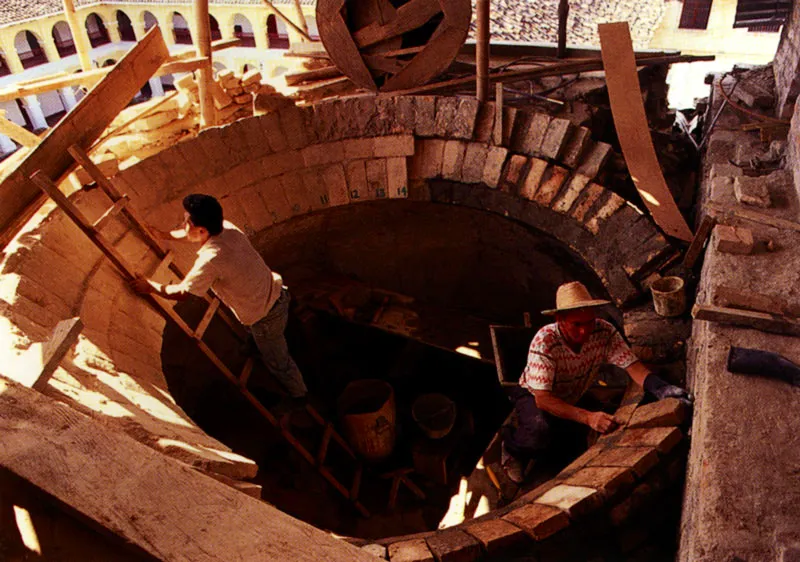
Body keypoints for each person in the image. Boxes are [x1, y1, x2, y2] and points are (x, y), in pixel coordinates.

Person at [501, 281, 689, 484]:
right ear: (560, 319)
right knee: (538, 432)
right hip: (533, 394)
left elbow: (631, 365)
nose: (585, 331)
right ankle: (511, 450)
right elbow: (543, 400)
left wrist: (661, 388)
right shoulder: (544, 342)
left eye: (589, 322)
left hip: (573, 392)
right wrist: (588, 418)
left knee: (573, 444)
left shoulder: (603, 331)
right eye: (577, 324)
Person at [131, 194, 308, 408]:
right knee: (257, 332)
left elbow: (183, 292)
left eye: (186, 222)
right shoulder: (227, 228)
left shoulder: (212, 259)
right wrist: (163, 235)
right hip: (276, 295)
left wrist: (151, 287)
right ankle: (256, 345)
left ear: (201, 230)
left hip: (266, 317)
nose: (183, 225)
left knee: (278, 361)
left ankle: (299, 395)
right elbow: (192, 235)